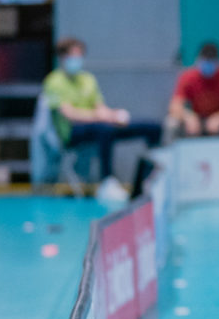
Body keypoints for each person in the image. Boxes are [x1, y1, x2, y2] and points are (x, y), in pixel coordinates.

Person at [41, 37, 162, 200]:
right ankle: (107, 182)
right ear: (62, 57)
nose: (77, 60)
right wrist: (98, 117)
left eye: (80, 56)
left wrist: (113, 116)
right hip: (71, 133)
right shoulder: (54, 81)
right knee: (104, 130)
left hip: (99, 125)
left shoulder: (87, 79)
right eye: (73, 56)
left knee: (152, 127)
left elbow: (100, 107)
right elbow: (69, 114)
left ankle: (149, 179)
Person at [164, 42, 219, 140]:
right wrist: (188, 117)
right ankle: (169, 152)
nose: (208, 66)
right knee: (171, 123)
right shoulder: (187, 77)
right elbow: (174, 106)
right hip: (196, 119)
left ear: (218, 62)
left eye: (211, 62)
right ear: (198, 60)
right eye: (205, 62)